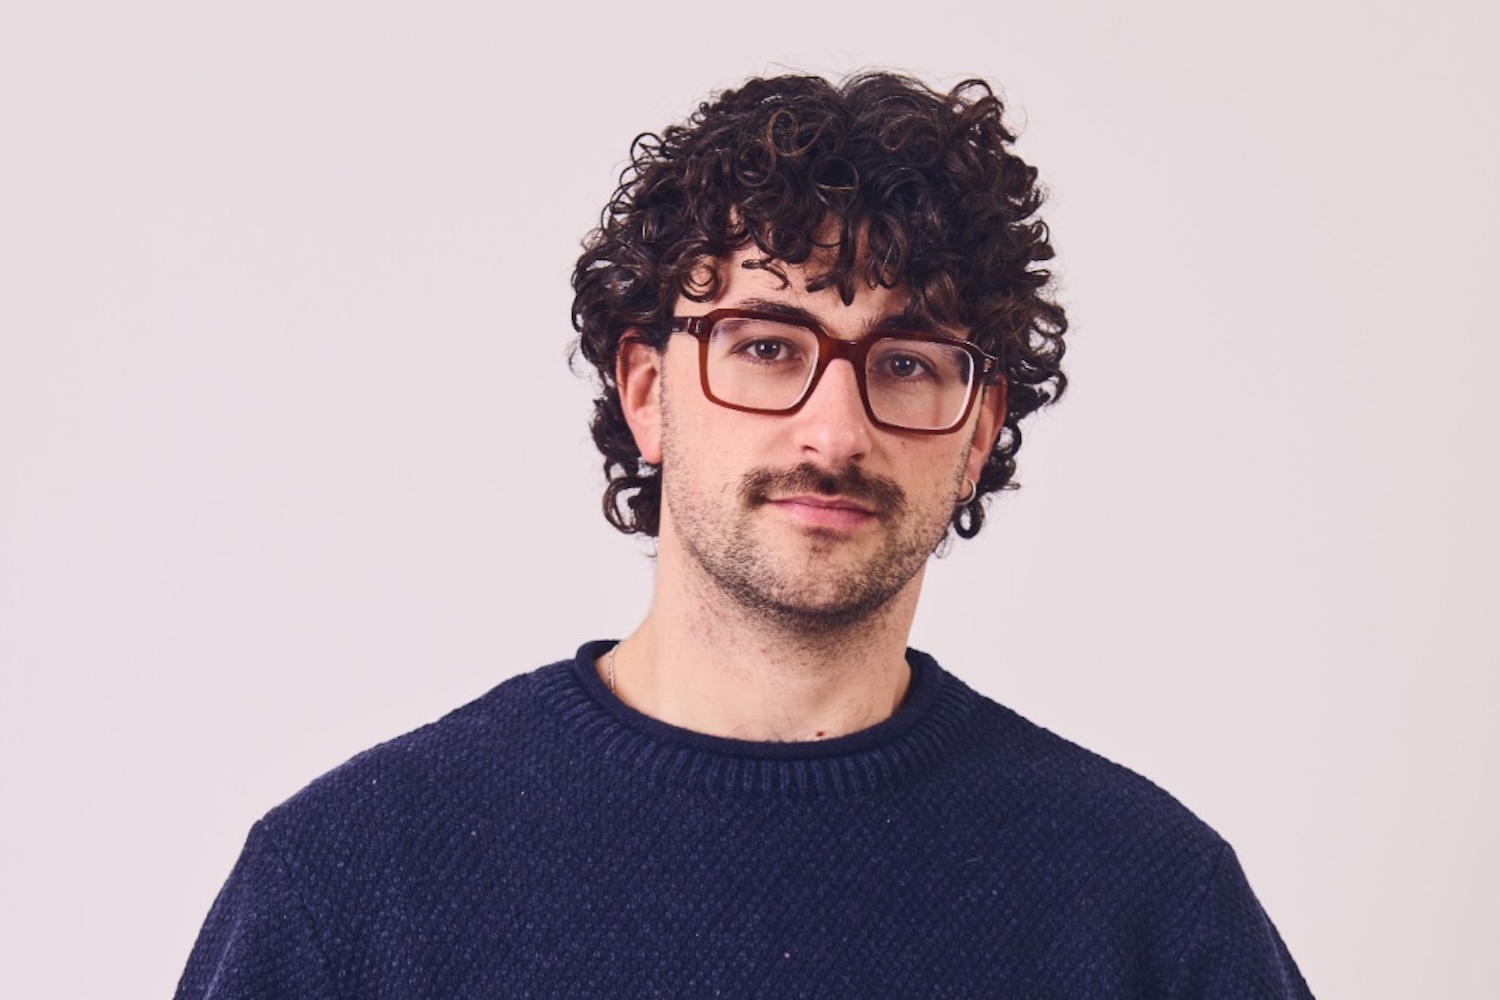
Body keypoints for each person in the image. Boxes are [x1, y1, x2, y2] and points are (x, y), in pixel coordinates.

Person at [175, 72, 1314, 998]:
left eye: (909, 363)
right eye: (768, 344)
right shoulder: (351, 888)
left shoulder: (1147, 910)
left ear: (977, 432)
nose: (835, 429)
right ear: (645, 388)